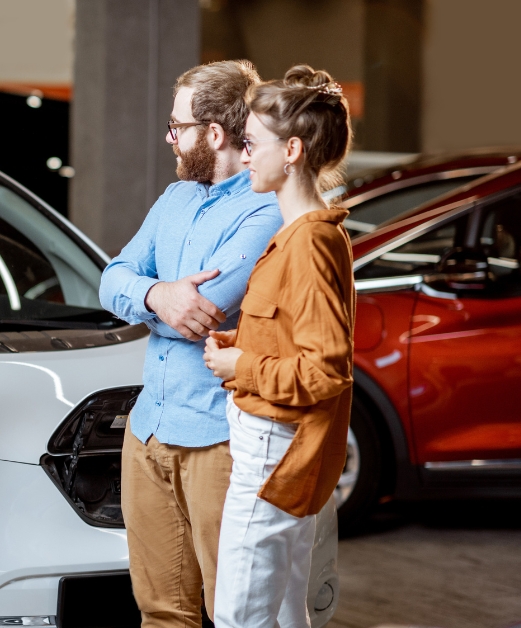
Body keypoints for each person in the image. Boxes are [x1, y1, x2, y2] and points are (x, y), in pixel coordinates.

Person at [99, 60, 283, 627]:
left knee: (230, 611)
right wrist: (158, 296)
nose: (169, 138)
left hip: (217, 439)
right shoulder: (176, 197)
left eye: (177, 127)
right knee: (160, 611)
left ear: (215, 134)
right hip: (148, 427)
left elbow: (208, 311)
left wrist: (147, 297)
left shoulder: (265, 208)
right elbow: (111, 278)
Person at [203, 65, 355, 628]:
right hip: (274, 445)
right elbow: (296, 336)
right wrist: (244, 341)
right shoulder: (303, 233)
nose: (245, 157)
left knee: (241, 615)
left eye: (252, 144)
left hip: (272, 448)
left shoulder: (310, 241)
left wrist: (241, 362)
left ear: (290, 149)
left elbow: (325, 371)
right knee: (285, 611)